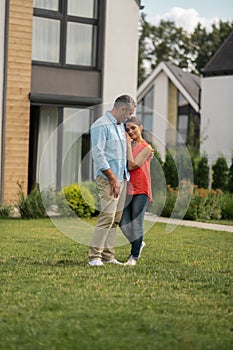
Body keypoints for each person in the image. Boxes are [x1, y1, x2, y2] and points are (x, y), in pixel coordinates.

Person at [88, 95, 136, 266]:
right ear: (122, 109)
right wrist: (113, 179)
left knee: (115, 218)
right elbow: (98, 155)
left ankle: (108, 256)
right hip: (108, 179)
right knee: (107, 216)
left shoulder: (120, 126)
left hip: (121, 178)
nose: (130, 117)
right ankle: (94, 257)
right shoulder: (101, 125)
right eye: (129, 113)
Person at [119, 117, 153, 266]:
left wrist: (127, 143)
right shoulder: (127, 146)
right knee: (122, 222)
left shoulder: (147, 148)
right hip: (127, 190)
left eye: (133, 128)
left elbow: (132, 165)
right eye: (127, 129)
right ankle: (139, 243)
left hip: (141, 189)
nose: (130, 131)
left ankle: (134, 257)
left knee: (136, 224)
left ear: (141, 127)